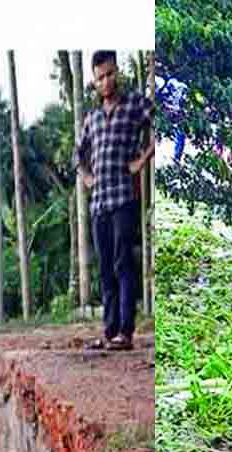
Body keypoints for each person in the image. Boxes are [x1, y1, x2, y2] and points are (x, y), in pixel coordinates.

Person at [76, 50, 153, 351]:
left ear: (116, 73)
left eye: (109, 74)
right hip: (99, 203)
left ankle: (126, 332)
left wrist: (142, 159)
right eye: (99, 78)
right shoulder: (92, 118)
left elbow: (161, 123)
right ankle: (108, 333)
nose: (106, 81)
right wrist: (86, 177)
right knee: (105, 267)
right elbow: (77, 154)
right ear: (94, 83)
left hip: (123, 197)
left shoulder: (134, 104)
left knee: (123, 264)